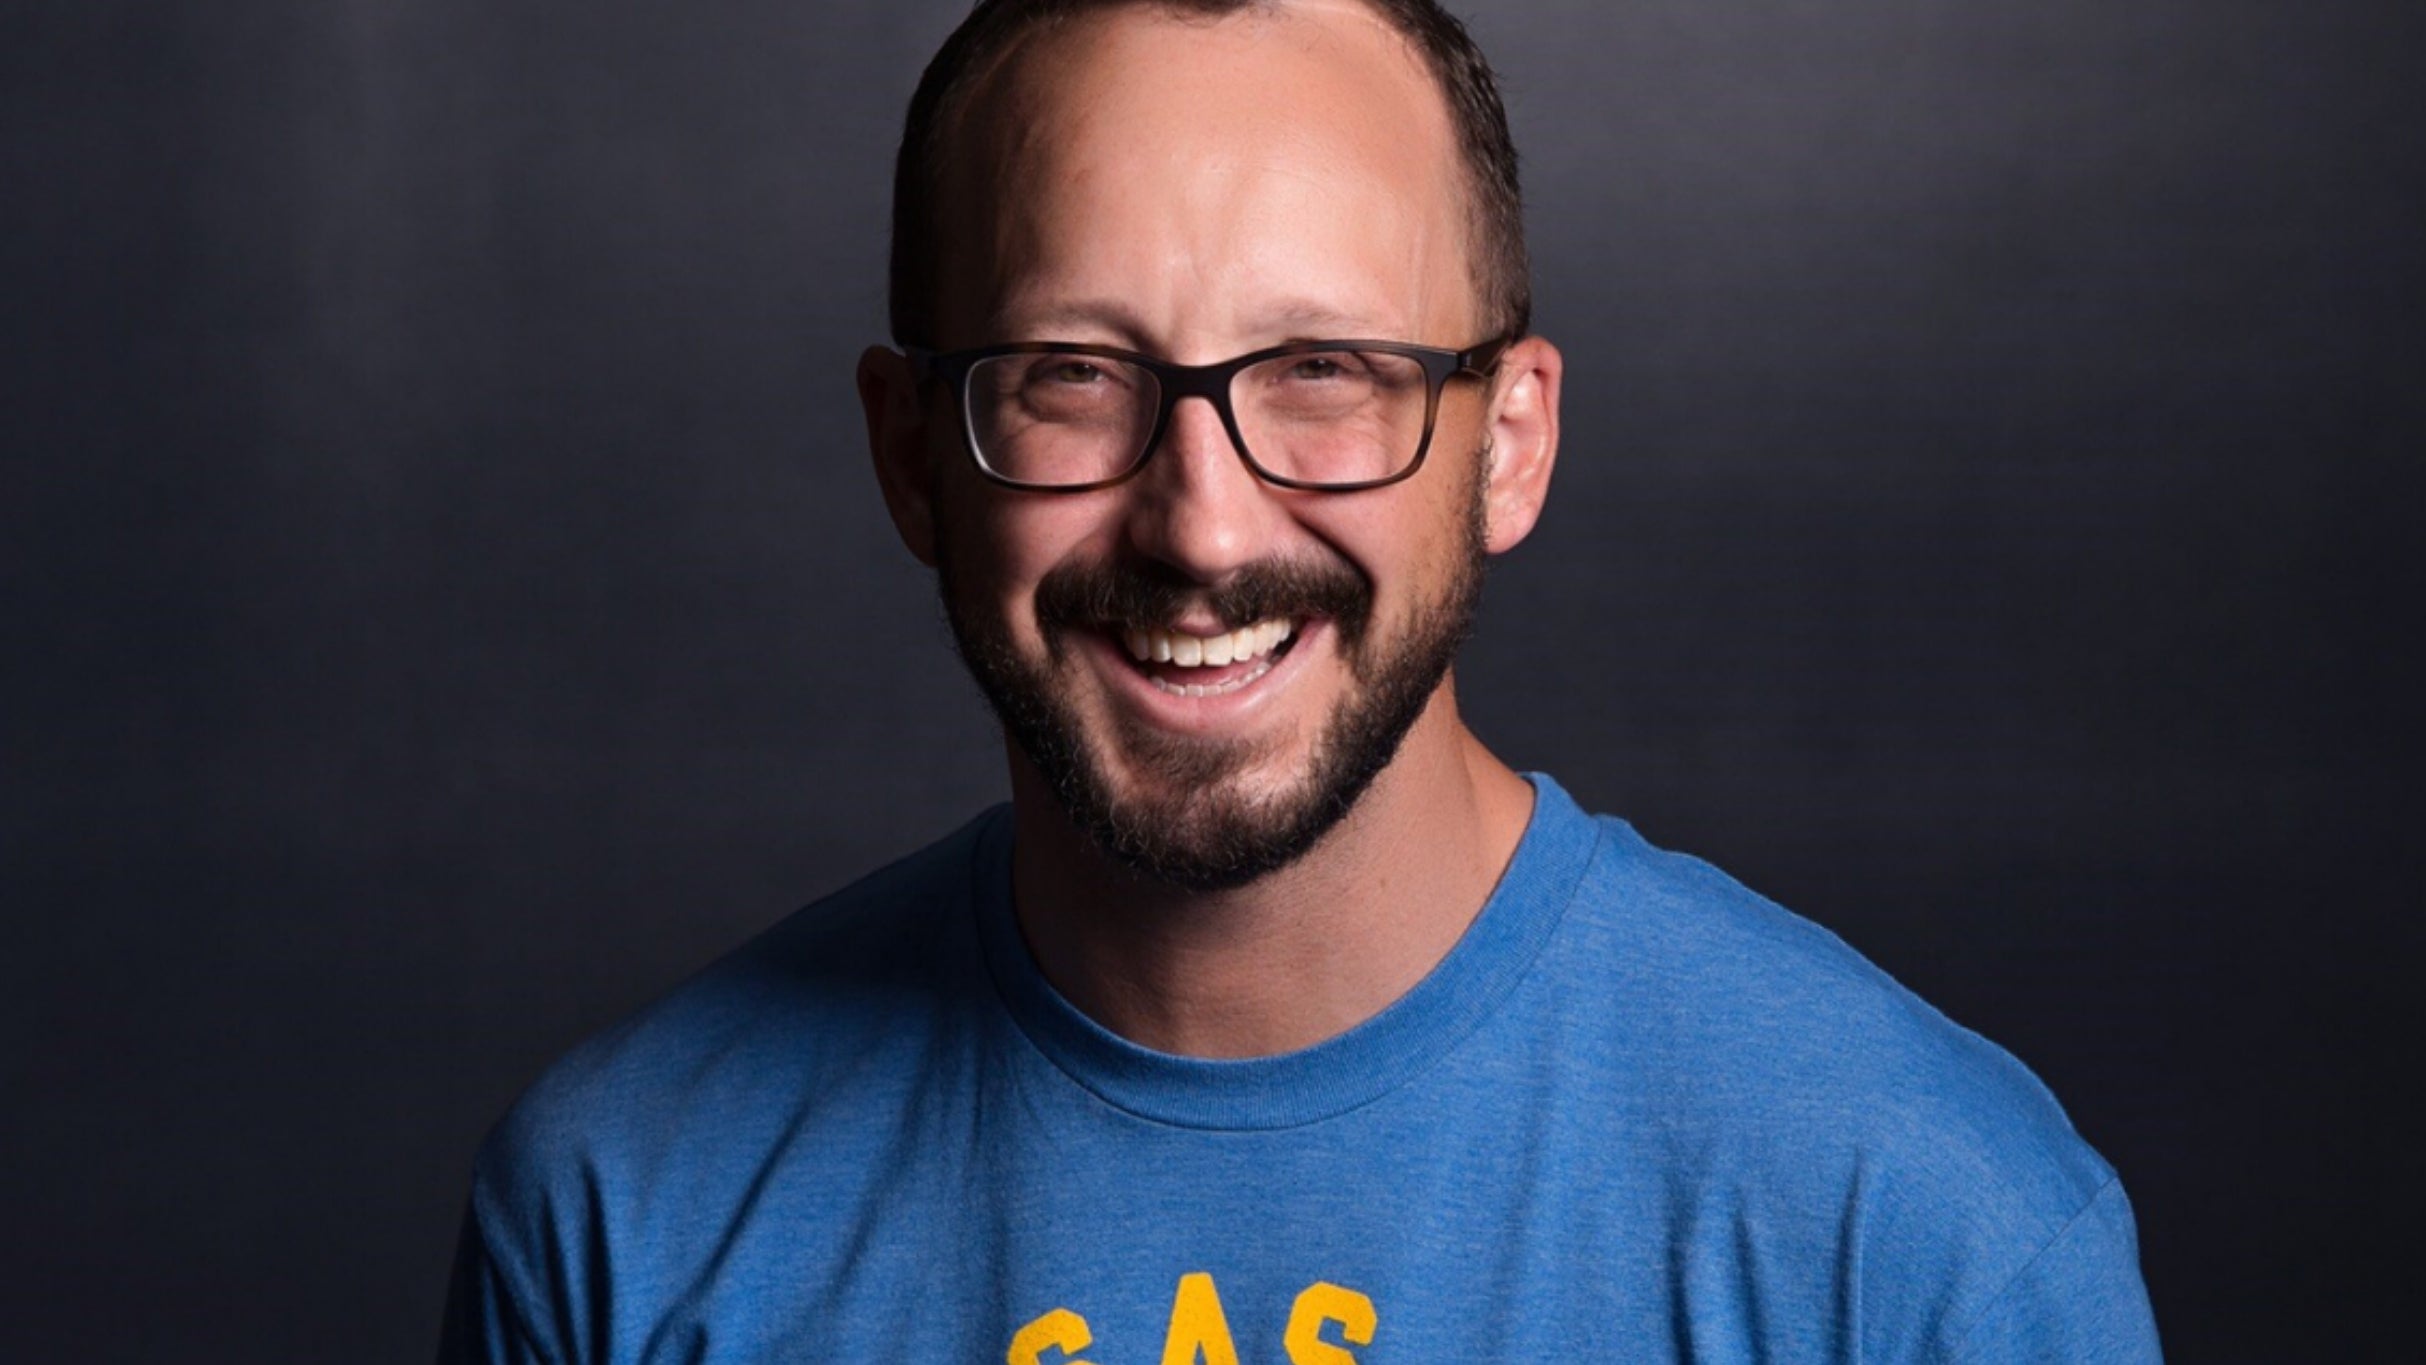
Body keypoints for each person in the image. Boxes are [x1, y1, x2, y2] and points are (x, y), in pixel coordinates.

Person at [439, 0, 2162, 1359]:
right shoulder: (621, 1218)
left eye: (1326, 368)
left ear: (1510, 443)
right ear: (911, 456)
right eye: (1069, 375)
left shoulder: (1922, 1234)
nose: (1201, 523)